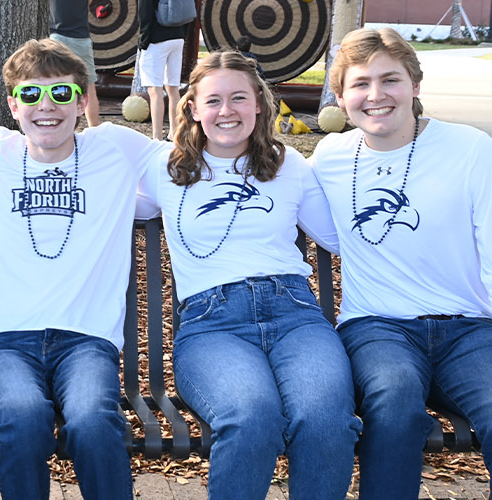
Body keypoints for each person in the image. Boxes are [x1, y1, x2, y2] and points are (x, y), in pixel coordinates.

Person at [307, 27, 492, 499]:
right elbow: (329, 231)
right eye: (360, 84)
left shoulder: (470, 150)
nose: (376, 95)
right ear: (340, 96)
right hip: (378, 329)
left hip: (471, 332)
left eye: (390, 80)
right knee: (394, 401)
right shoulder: (330, 158)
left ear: (415, 85)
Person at [134, 51, 359, 500]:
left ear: (259, 103)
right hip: (212, 325)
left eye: (239, 97)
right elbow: (100, 201)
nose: (226, 111)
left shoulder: (288, 165)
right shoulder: (164, 167)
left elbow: (342, 238)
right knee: (252, 415)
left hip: (294, 314)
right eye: (213, 100)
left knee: (325, 416)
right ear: (193, 108)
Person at [0, 39, 169, 500]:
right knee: (24, 416)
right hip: (6, 342)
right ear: (13, 104)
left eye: (62, 94)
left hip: (86, 341)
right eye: (30, 95)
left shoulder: (116, 149)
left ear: (84, 100)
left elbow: (188, 162)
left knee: (93, 420)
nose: (45, 107)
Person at [49, 0, 102, 126]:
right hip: (80, 37)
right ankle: (94, 131)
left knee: (53, 85)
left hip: (56, 37)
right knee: (89, 88)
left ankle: (56, 125)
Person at [137, 0, 185, 140]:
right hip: (178, 37)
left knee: (155, 91)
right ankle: (174, 134)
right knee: (173, 88)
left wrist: (143, 42)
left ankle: (156, 138)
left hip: (156, 40)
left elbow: (144, 15)